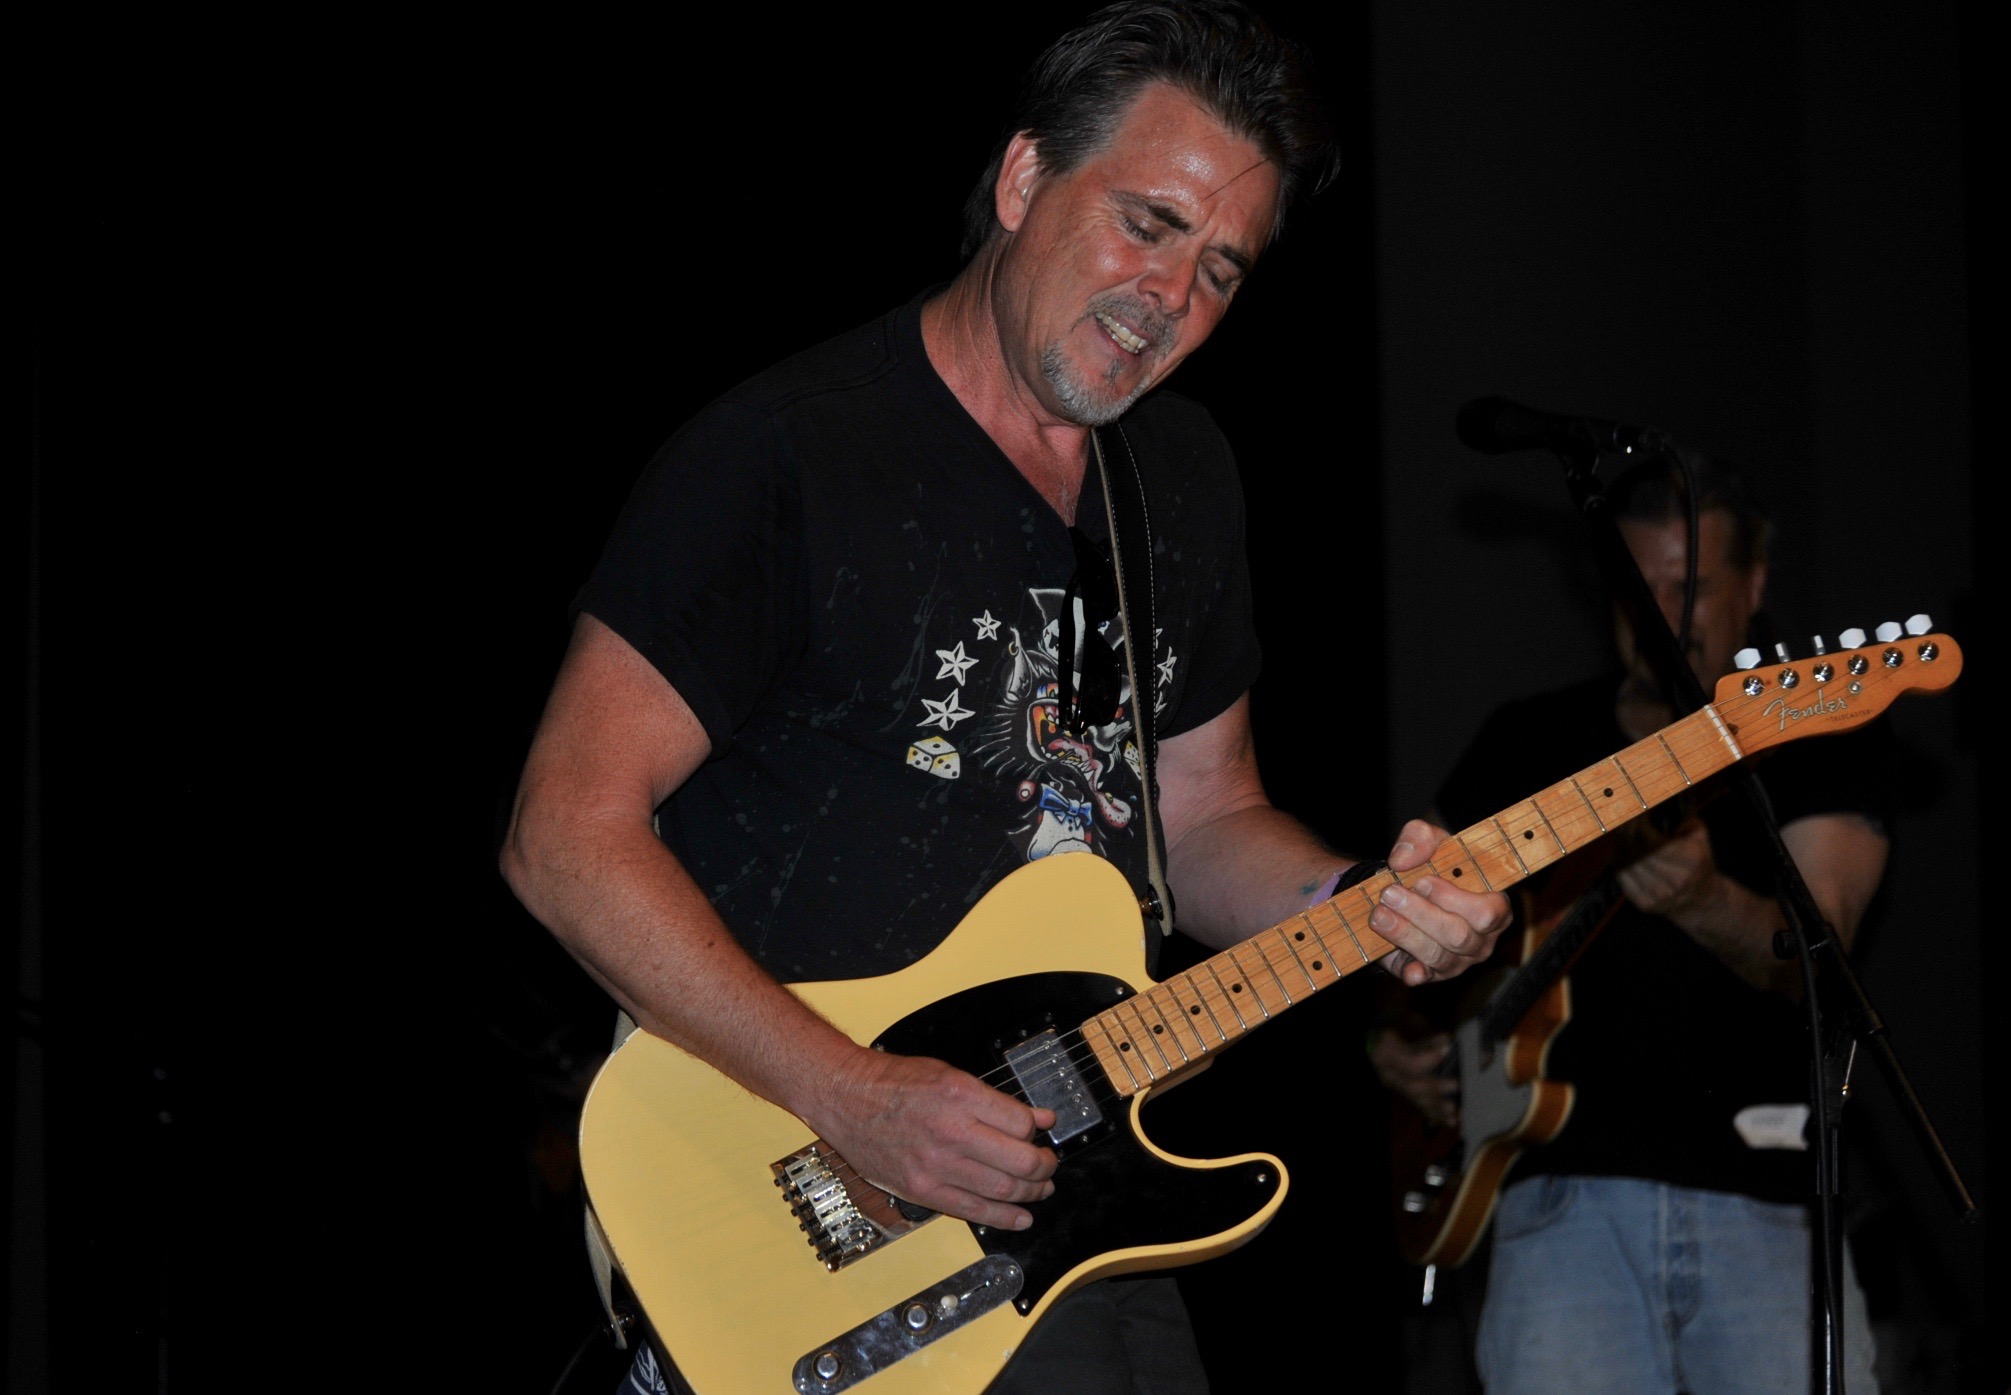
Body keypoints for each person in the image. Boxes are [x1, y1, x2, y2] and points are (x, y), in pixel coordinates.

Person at [499, 4, 1512, 1392]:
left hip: (1068, 1196)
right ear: (1024, 177)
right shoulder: (789, 454)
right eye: (1146, 224)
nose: (1170, 294)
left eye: (1219, 267)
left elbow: (1202, 818)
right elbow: (564, 832)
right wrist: (849, 1093)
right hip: (805, 1181)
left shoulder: (1179, 479)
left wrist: (1363, 902)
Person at [1372, 452, 1890, 1395]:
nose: (1659, 613)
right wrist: (1391, 1037)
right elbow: (1398, 916)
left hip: (1763, 1196)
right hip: (1552, 1204)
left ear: (1754, 586)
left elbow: (1824, 956)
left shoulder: (1808, 728)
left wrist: (1704, 900)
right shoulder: (1526, 739)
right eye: (1636, 586)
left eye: (1689, 586)